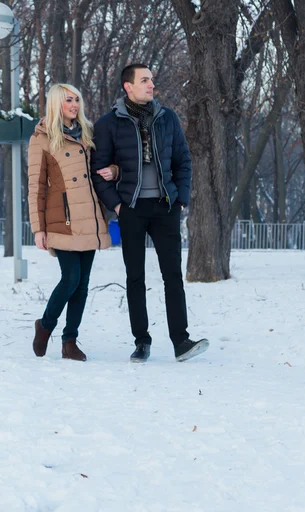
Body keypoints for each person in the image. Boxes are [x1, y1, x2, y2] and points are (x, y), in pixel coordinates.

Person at [91, 63, 209, 362]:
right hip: (131, 208)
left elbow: (183, 160)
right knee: (135, 278)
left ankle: (181, 341)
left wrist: (180, 198)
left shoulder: (167, 118)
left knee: (173, 276)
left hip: (165, 207)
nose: (151, 85)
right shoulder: (108, 124)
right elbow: (97, 170)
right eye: (144, 80)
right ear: (127, 86)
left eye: (152, 80)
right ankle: (142, 341)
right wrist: (117, 205)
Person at [28, 83, 117, 361]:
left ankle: (70, 342)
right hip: (61, 220)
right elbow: (36, 187)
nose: (75, 105)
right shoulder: (42, 138)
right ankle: (45, 325)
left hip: (89, 217)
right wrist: (38, 228)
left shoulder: (88, 134)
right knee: (71, 278)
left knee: (83, 283)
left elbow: (109, 162)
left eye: (77, 100)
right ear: (57, 103)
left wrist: (113, 170)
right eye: (69, 100)